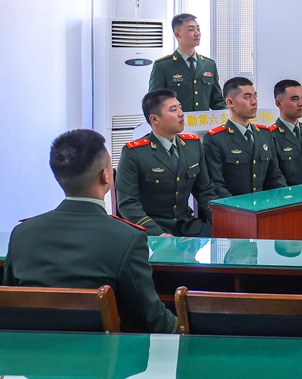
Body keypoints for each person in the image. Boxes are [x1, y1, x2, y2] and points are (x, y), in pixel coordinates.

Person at [2, 129, 176, 333]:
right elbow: (149, 318)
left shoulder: (22, 233)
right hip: (102, 361)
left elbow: (10, 304)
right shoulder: (127, 238)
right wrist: (183, 324)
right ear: (106, 176)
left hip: (29, 358)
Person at [115, 89, 219, 236]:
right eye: (173, 110)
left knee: (230, 240)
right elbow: (127, 203)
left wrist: (222, 220)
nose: (181, 113)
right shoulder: (134, 152)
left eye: (180, 108)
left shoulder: (193, 145)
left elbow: (205, 190)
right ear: (155, 119)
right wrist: (158, 234)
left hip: (187, 226)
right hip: (152, 228)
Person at [202, 76, 286, 197]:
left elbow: (275, 176)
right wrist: (239, 212)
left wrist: (284, 200)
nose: (254, 102)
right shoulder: (215, 139)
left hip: (264, 207)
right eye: (247, 97)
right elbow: (216, 185)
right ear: (230, 102)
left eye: (255, 96)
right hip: (235, 210)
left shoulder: (265, 134)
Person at [149, 13, 226, 112]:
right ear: (177, 34)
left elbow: (217, 101)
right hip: (176, 125)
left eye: (198, 29)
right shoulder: (163, 66)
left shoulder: (209, 65)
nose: (197, 33)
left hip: (203, 124)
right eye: (191, 30)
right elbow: (155, 102)